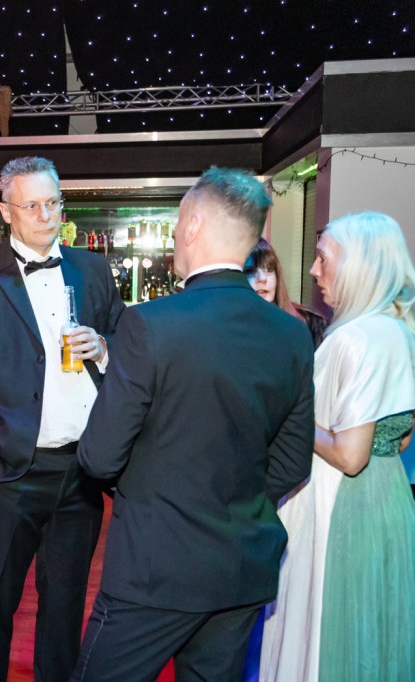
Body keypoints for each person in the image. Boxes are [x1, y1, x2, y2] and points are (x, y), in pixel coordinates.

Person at [72, 167, 314, 682]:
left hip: (155, 567)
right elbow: (293, 461)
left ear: (195, 225)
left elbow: (99, 456)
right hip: (241, 567)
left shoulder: (149, 324)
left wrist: (156, 496)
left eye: (180, 221)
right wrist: (229, 501)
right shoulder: (291, 334)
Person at [0, 156, 124, 681]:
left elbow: (129, 348)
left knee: (64, 608)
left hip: (82, 471)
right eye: (32, 205)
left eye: (53, 202)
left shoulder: (93, 270)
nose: (45, 215)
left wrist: (105, 348)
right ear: (6, 212)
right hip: (9, 471)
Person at [260, 211, 415, 682]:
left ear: (358, 266)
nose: (313, 270)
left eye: (323, 258)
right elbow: (400, 437)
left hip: (340, 506)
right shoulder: (400, 331)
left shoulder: (358, 338)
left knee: (328, 635)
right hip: (387, 496)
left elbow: (350, 455)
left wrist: (287, 410)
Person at [245, 237, 327, 346]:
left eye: (269, 270)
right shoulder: (231, 329)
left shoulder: (311, 325)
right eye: (250, 271)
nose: (262, 278)